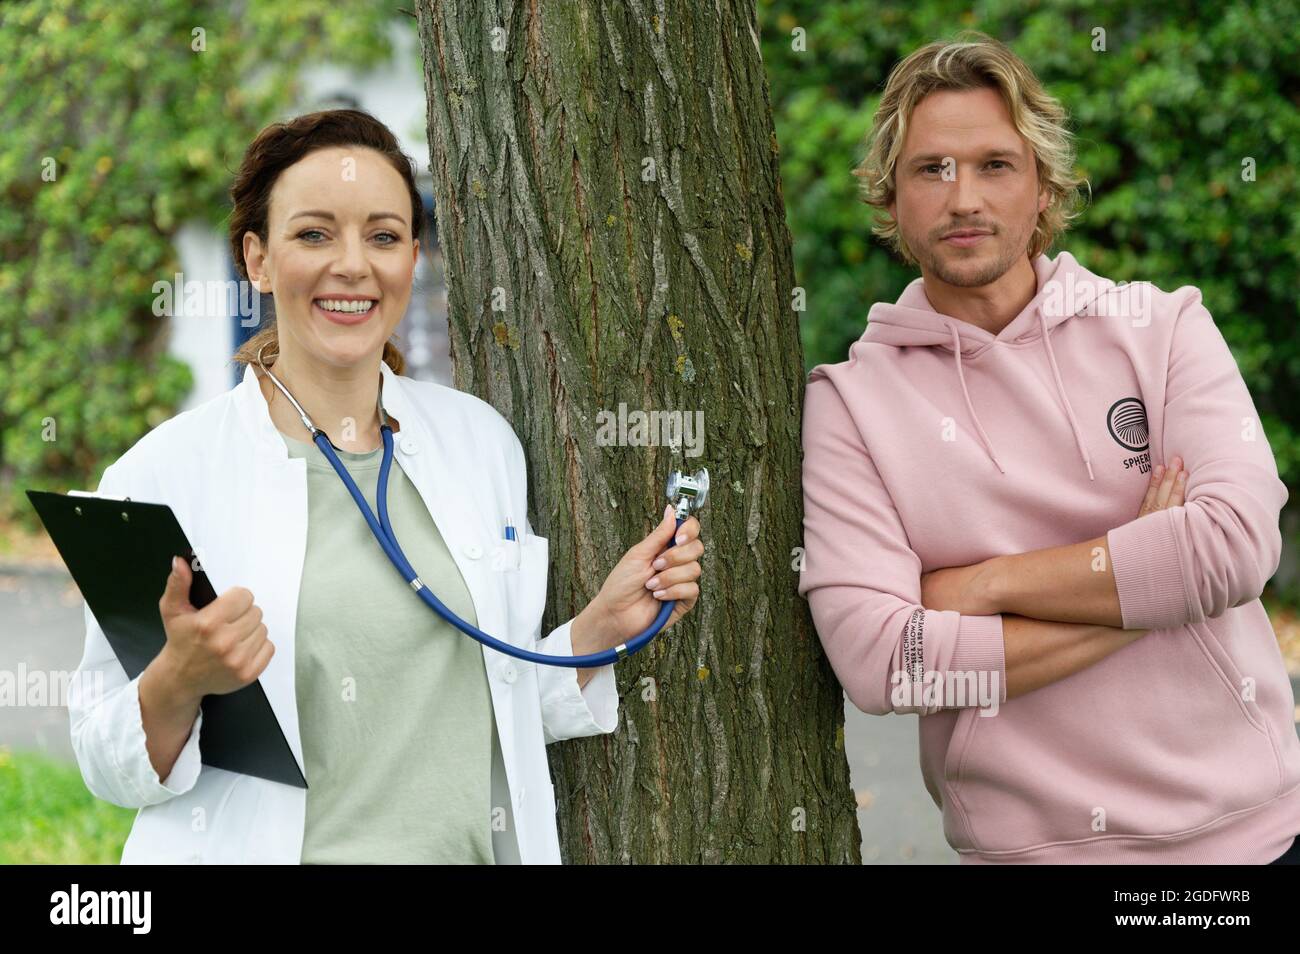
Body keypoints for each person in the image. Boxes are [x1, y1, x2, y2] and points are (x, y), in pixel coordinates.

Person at [67, 108, 704, 864]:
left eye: (383, 235)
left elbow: (481, 706)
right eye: (313, 234)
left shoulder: (480, 444)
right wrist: (179, 678)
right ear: (257, 259)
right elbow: (104, 762)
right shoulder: (156, 477)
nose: (352, 265)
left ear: (412, 257)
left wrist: (597, 634)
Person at [798, 32, 1300, 863]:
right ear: (891, 197)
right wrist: (1147, 580)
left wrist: (979, 585)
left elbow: (1235, 547)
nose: (963, 198)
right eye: (932, 169)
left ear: (1044, 189)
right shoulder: (851, 404)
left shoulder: (1164, 328)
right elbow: (888, 660)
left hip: (1253, 843)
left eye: (995, 164)